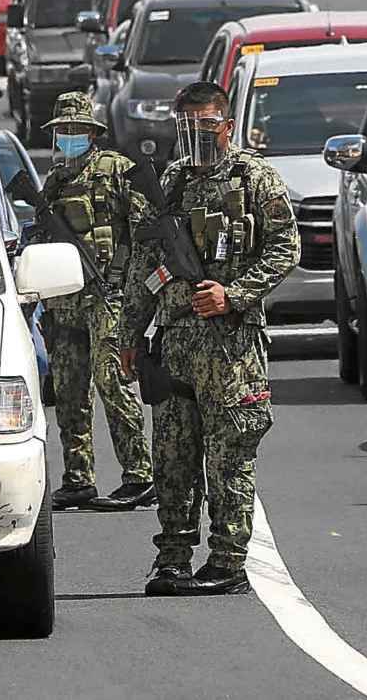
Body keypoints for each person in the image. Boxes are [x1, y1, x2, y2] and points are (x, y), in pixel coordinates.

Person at [118, 81, 300, 596]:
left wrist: (233, 294)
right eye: (186, 125)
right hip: (175, 342)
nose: (196, 134)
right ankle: (172, 557)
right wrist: (130, 332)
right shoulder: (170, 182)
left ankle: (227, 560)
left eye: (205, 124)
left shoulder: (255, 178)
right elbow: (145, 264)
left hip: (230, 346)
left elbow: (286, 248)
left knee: (229, 456)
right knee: (172, 456)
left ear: (227, 126)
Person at [34, 92, 155, 512]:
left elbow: (144, 230)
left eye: (76, 129)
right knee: (69, 390)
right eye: (62, 130)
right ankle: (78, 478)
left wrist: (127, 278)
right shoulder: (55, 182)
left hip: (108, 296)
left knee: (112, 382)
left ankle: (139, 475)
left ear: (92, 132)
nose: (69, 136)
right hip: (65, 300)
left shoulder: (116, 171)